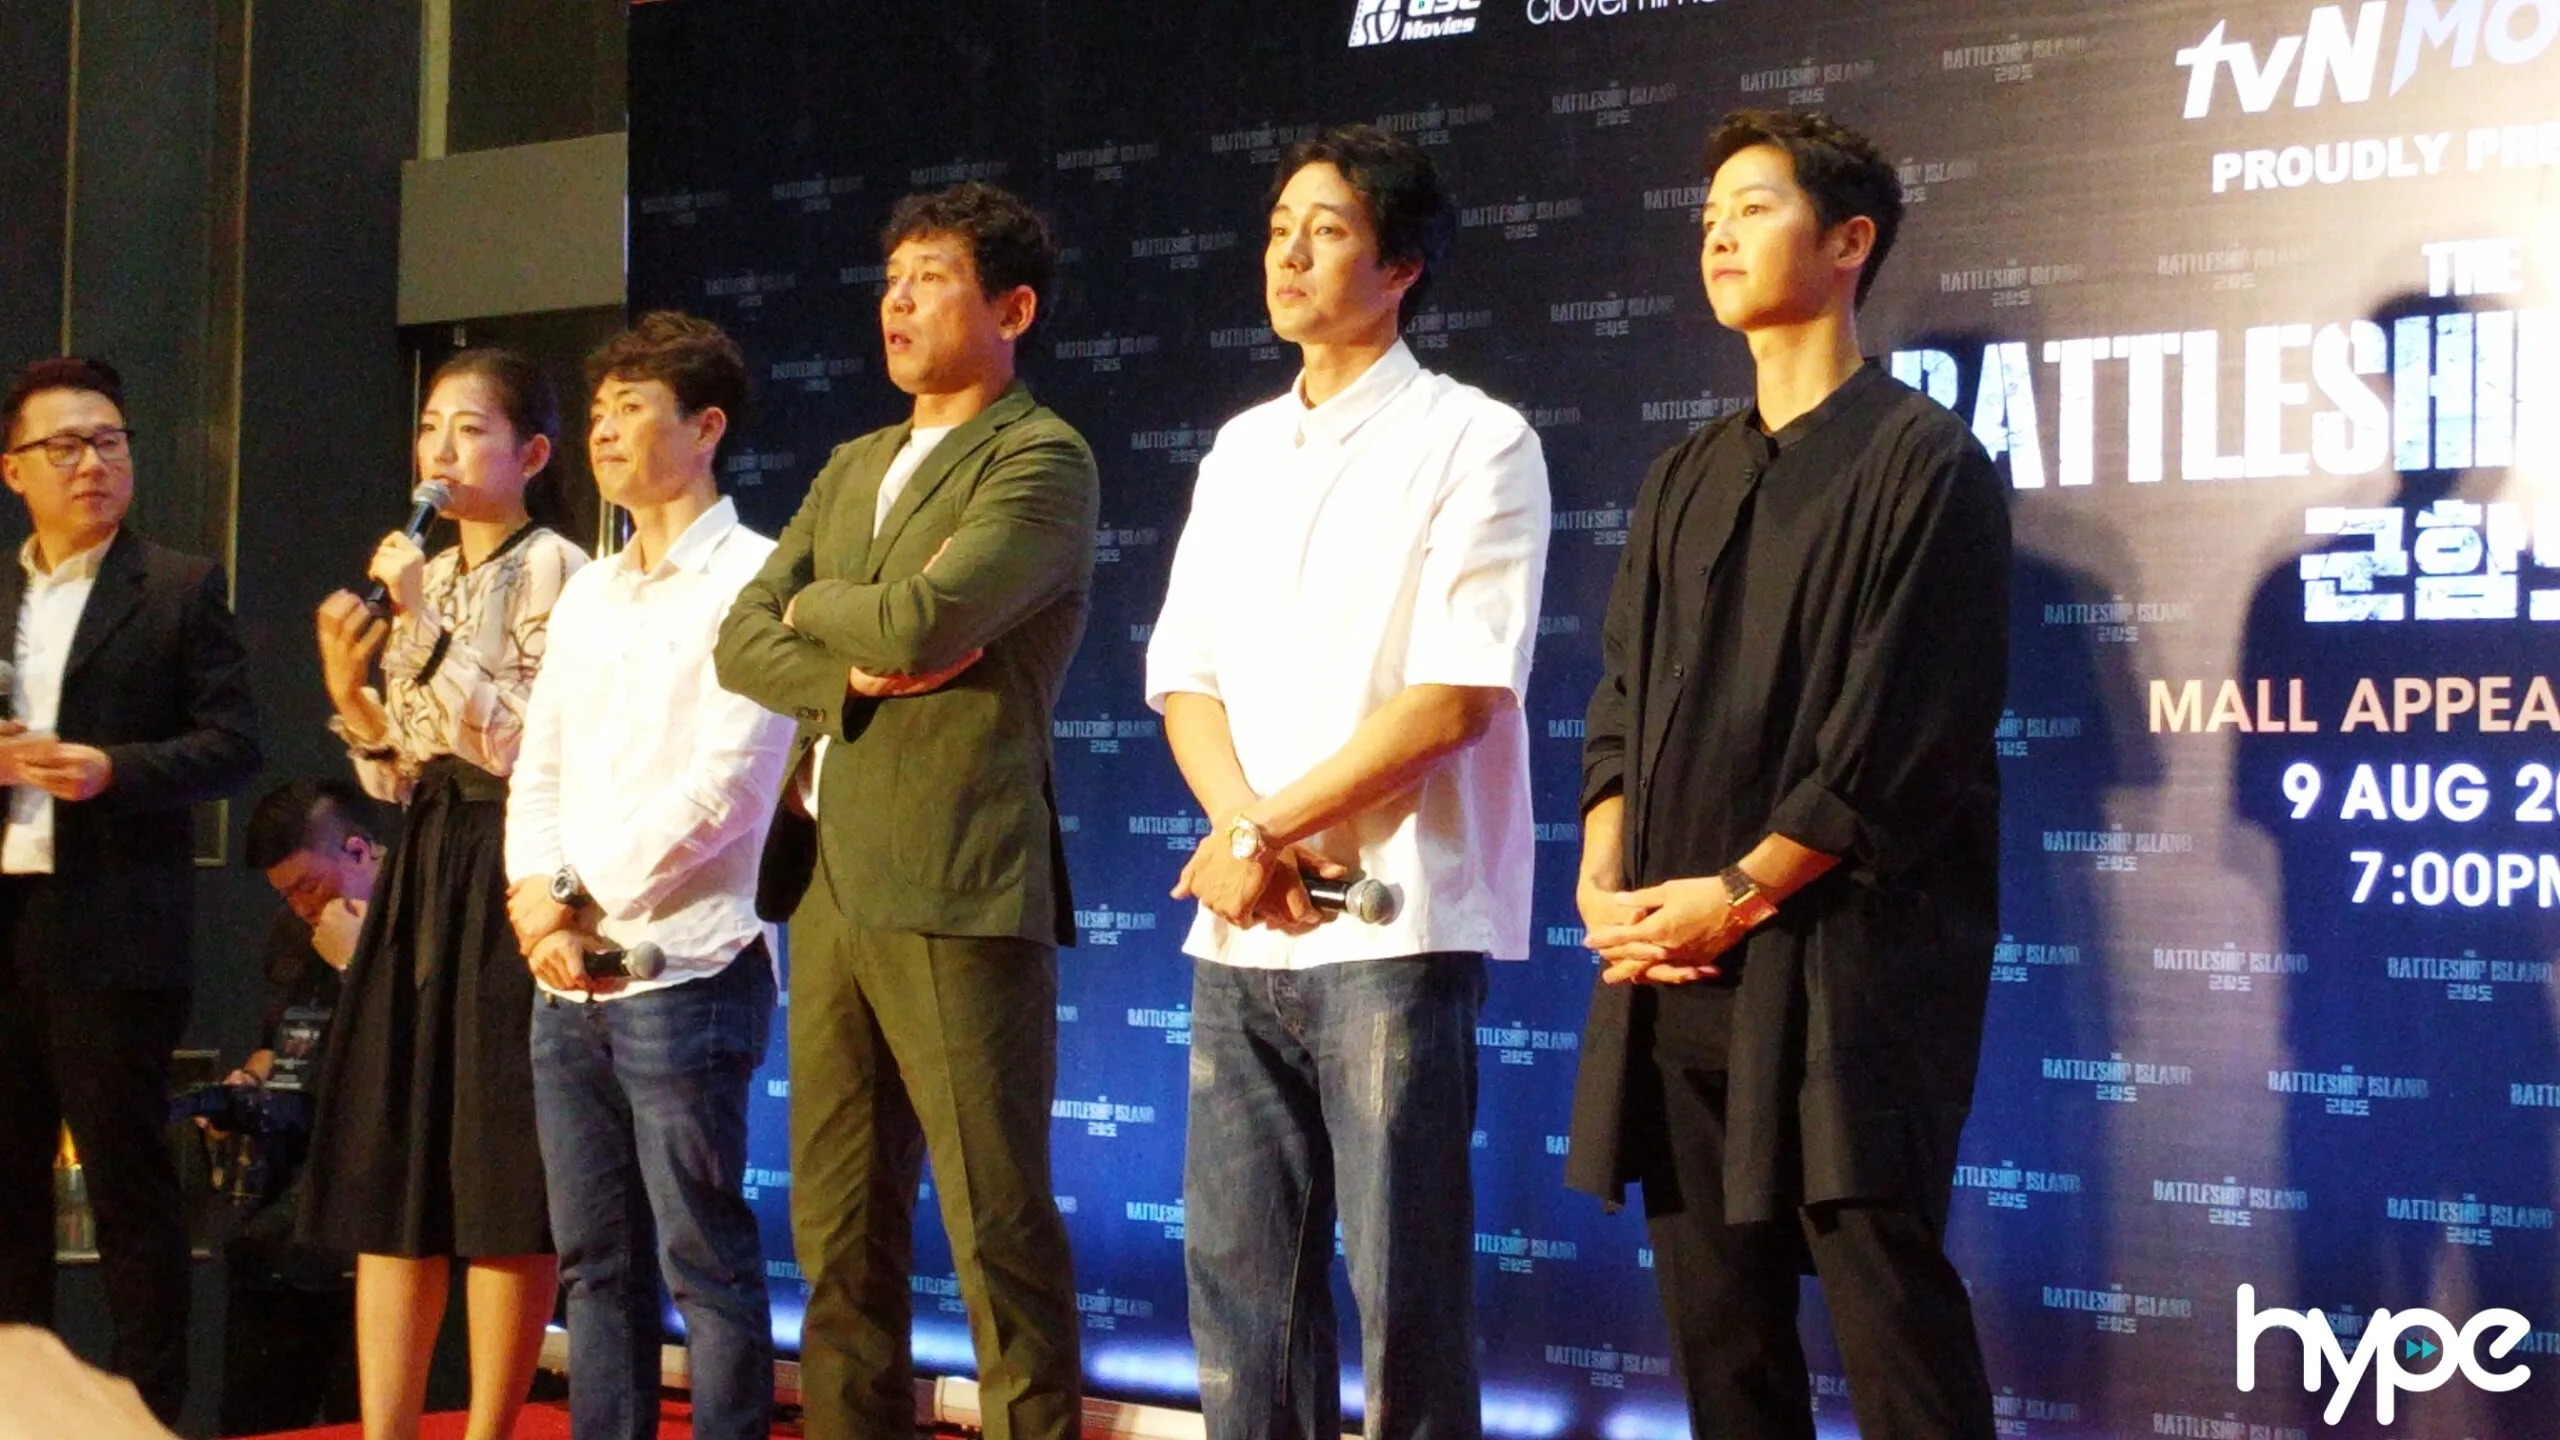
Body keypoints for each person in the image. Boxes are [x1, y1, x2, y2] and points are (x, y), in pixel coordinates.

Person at [1563, 109, 2010, 1440]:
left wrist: (1742, 893)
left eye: (1753, 207)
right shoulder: (1684, 474)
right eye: (1708, 215)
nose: (1717, 234)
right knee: (1724, 1352)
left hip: (1844, 979)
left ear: (1849, 241)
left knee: (1892, 1331)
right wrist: (1604, 879)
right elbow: (1620, 699)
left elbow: (1899, 744)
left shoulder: (1925, 462)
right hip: (1674, 969)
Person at [1143, 124, 1549, 1440]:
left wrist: (1257, 833)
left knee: (1403, 1291)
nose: (1289, 255)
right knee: (1240, 1294)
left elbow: (1455, 696)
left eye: (1325, 231)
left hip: (1392, 923)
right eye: (1278, 229)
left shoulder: (1476, 439)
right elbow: (1184, 674)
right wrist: (1241, 839)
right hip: (1242, 924)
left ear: (1402, 266)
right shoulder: (1239, 448)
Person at [714, 181, 1097, 1440]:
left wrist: (819, 606)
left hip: (956, 876)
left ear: (1012, 309)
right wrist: (841, 656)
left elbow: (923, 623)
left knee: (996, 1227)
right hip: (827, 877)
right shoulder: (853, 464)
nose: (899, 301)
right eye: (892, 279)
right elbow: (737, 635)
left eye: (932, 278)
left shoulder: (1040, 457)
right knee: (835, 1231)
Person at [505, 311, 795, 1440]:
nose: (605, 431)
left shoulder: (756, 577)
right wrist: (541, 908)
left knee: (704, 1259)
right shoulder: (588, 590)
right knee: (592, 1264)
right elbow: (540, 764)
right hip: (564, 979)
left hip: (690, 964)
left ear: (706, 427)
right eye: (598, 411)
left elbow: (729, 788)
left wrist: (574, 890)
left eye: (632, 408)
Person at [303, 347, 585, 1440]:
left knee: (499, 1161)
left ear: (534, 454)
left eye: (471, 430)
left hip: (512, 861)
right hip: (425, 862)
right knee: (397, 1160)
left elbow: (523, 746)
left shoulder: (560, 569)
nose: (442, 450)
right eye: (431, 427)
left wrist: (421, 626)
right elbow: (403, 771)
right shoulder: (431, 574)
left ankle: (487, 1428)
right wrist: (352, 699)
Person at [0, 356, 262, 1424]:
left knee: (129, 1192)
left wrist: (112, 769)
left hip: (111, 926)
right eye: (65, 446)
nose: (93, 464)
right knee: (5, 1192)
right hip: (4, 924)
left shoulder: (179, 587)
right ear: (15, 468)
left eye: (110, 442)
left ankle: (148, 1413)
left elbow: (233, 746)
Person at [218, 777, 385, 1435]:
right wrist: (249, 1081)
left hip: (380, 1184)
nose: (302, 906)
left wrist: (354, 965)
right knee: (256, 1251)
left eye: (309, 886)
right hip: (296, 1178)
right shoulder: (294, 930)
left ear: (359, 851)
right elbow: (280, 1042)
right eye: (286, 894)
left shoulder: (426, 920)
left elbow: (418, 1068)